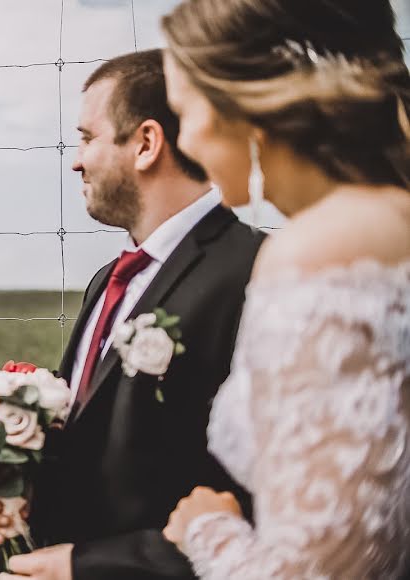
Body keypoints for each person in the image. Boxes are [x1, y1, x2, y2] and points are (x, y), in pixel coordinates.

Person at [0, 49, 265, 580]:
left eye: (87, 138)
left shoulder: (255, 273)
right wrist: (18, 491)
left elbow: (261, 502)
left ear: (146, 144)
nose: (75, 160)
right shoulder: (108, 279)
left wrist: (88, 567)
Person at [158, 0, 410, 578]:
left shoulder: (321, 248)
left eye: (183, 111)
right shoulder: (388, 220)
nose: (184, 139)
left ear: (245, 102)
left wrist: (207, 528)